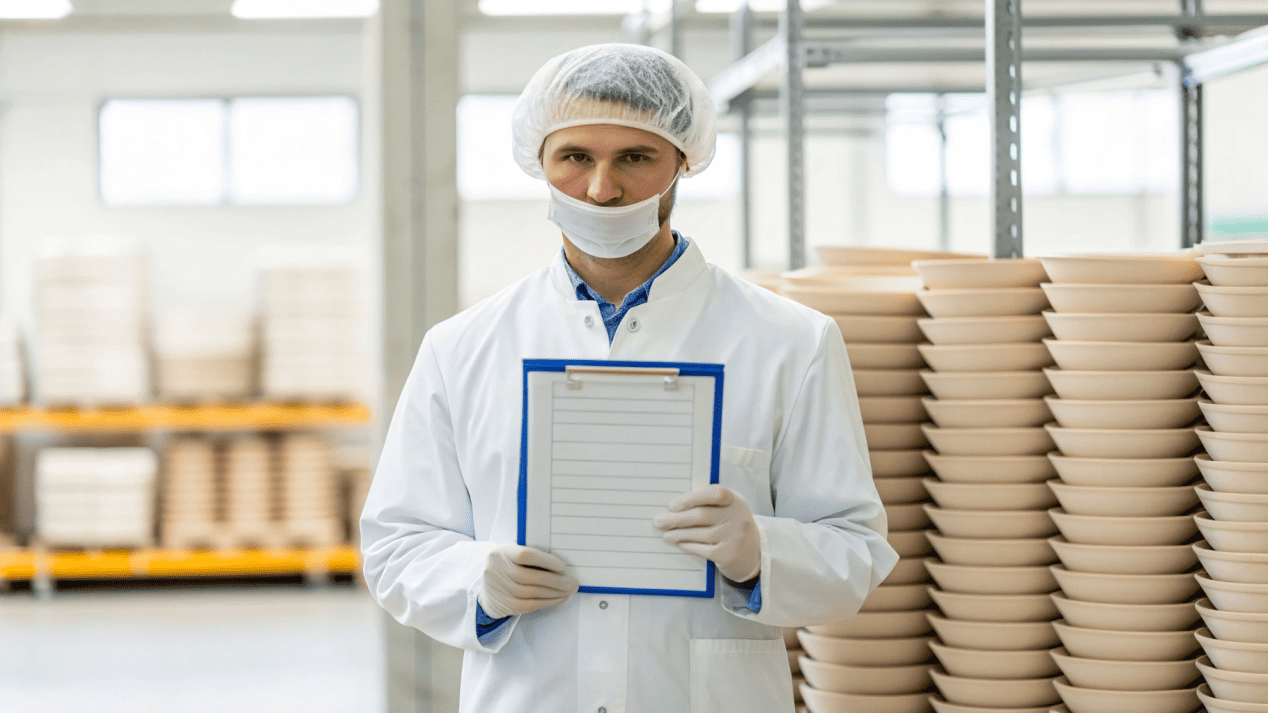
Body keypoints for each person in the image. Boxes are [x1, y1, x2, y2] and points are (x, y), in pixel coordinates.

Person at [361, 43, 897, 713]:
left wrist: (761, 552)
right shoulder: (461, 348)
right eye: (575, 157)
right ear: (539, 161)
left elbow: (855, 551)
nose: (601, 189)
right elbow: (396, 546)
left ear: (684, 160)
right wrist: (477, 580)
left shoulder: (791, 342)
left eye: (635, 158)